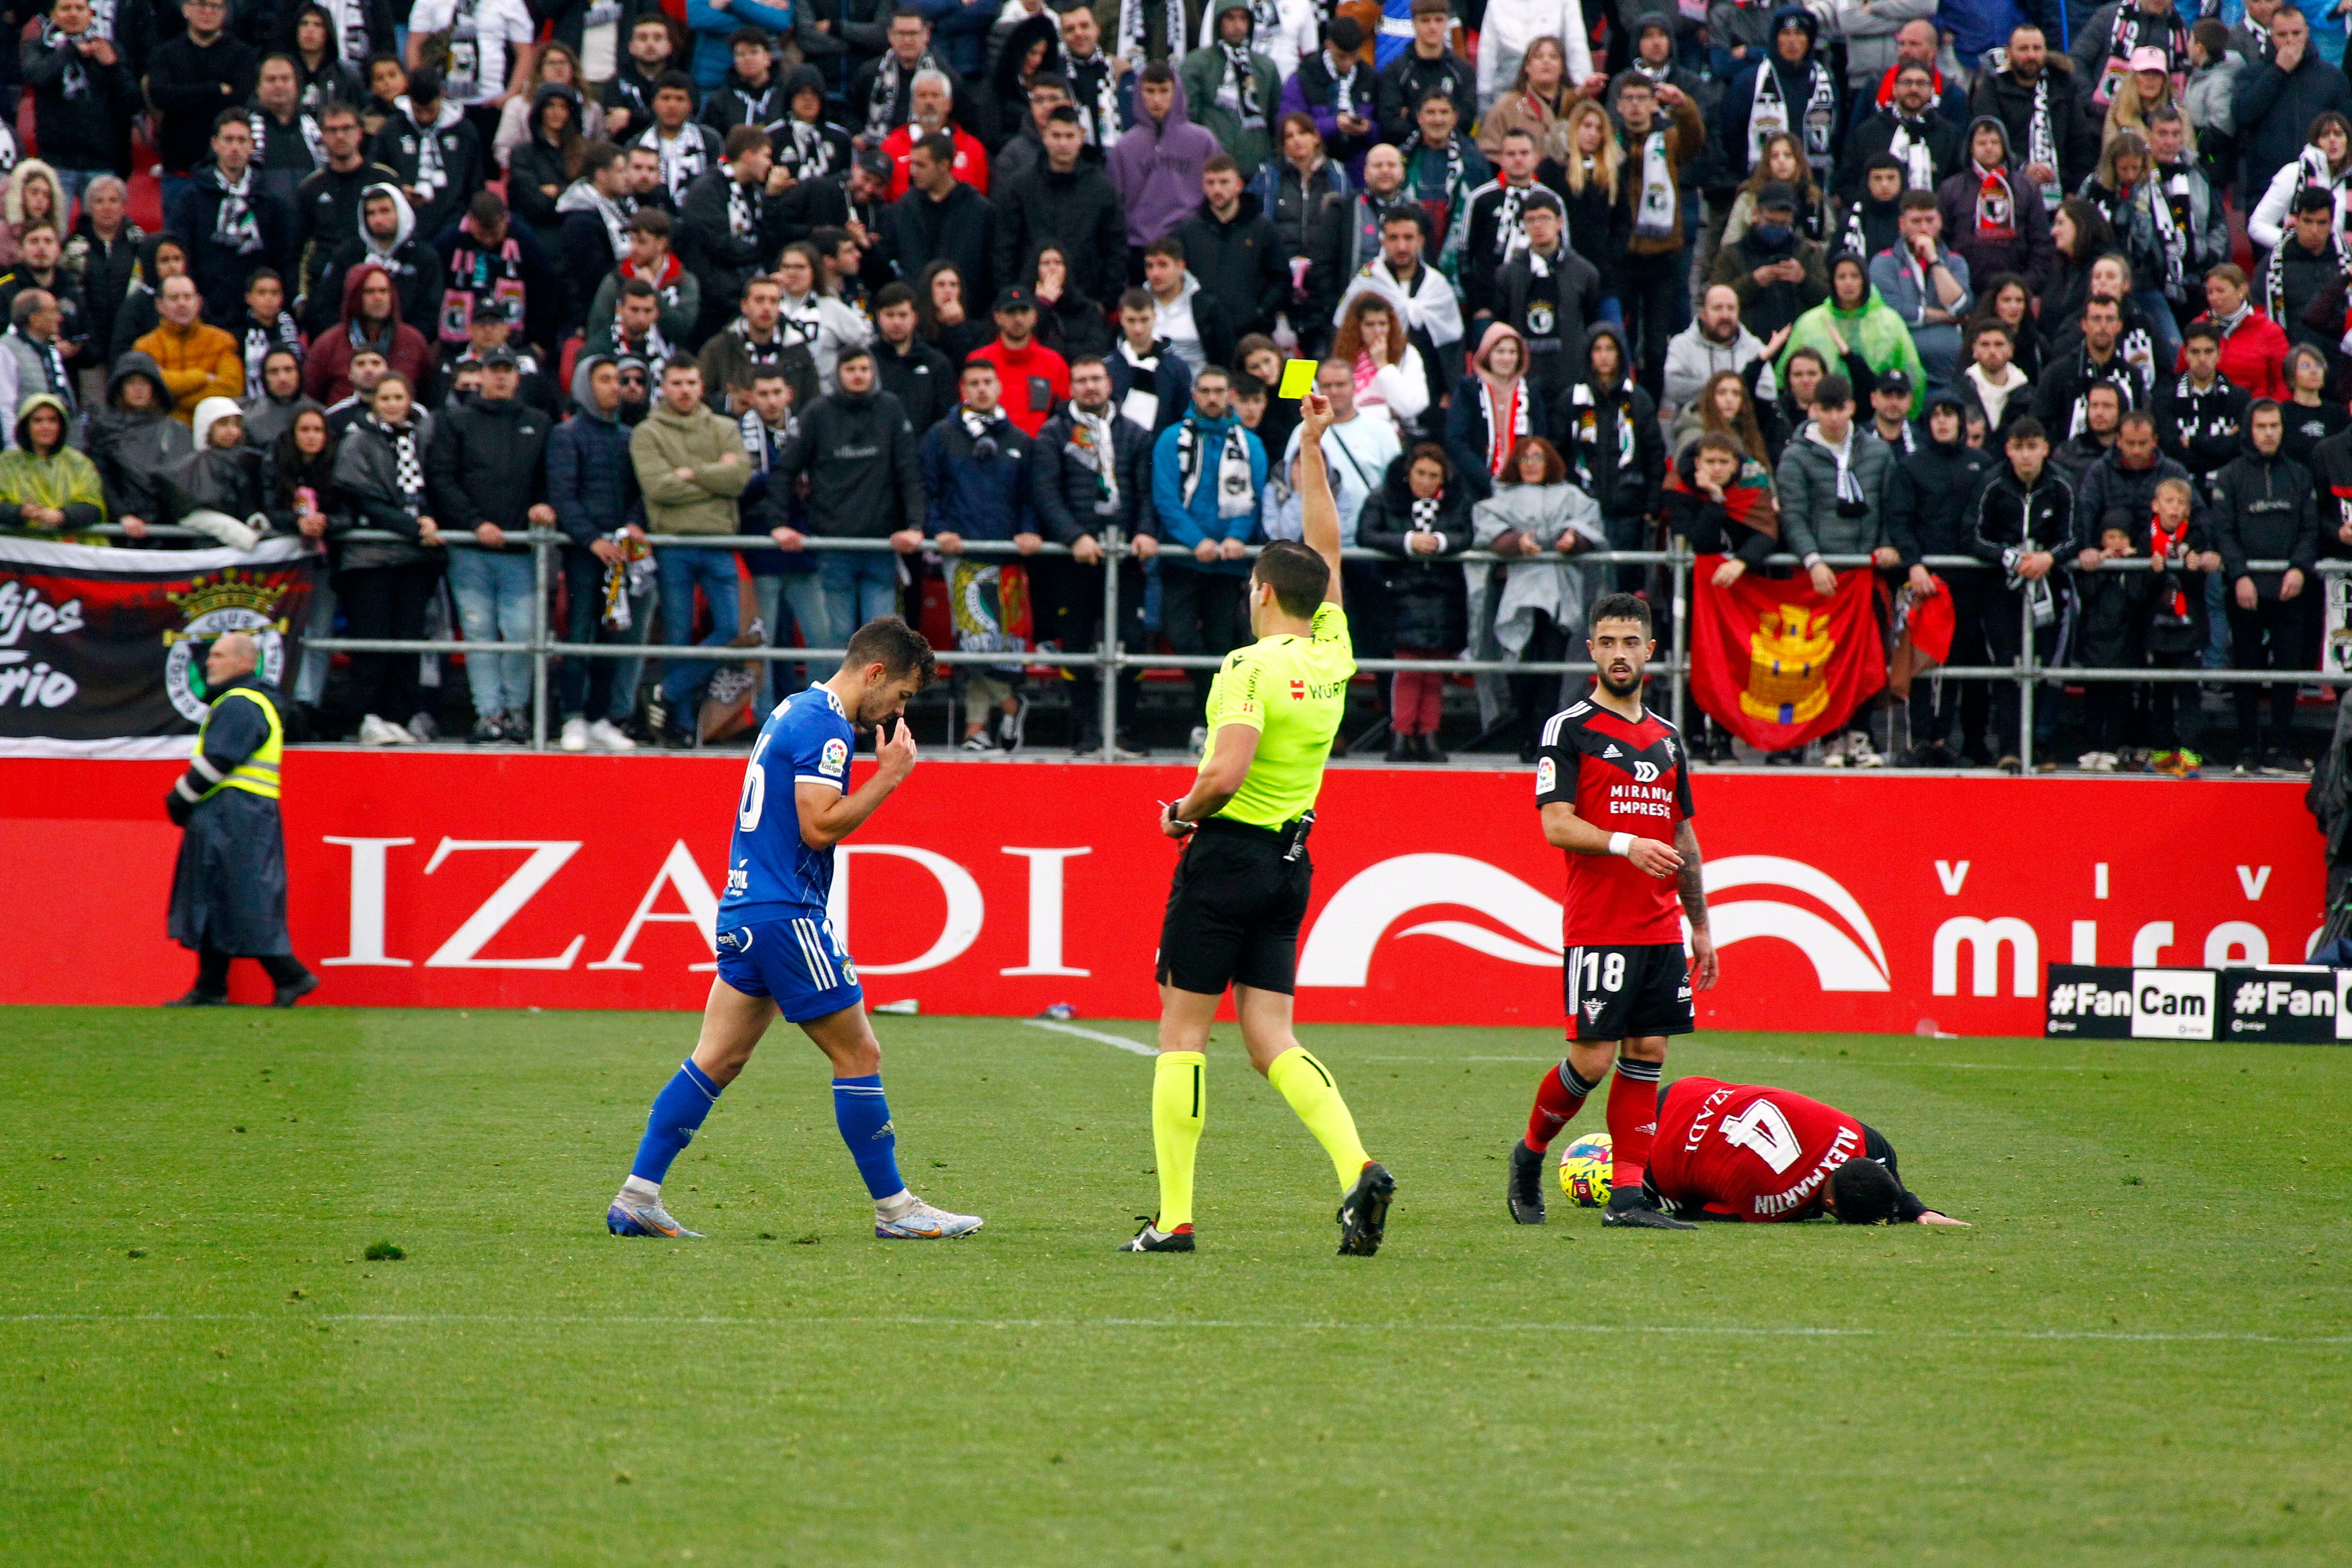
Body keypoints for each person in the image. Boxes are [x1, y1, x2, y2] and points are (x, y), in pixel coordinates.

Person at [604, 616, 983, 1242]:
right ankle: (897, 1209)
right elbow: (819, 825)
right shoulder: (827, 725)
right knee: (859, 1053)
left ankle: (637, 1197)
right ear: (876, 673)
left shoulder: (793, 709)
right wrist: (888, 776)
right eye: (904, 696)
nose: (897, 711)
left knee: (718, 1058)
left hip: (745, 910)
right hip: (787, 915)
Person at [1126, 382, 1391, 1256]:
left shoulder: (1248, 663)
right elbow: (1329, 548)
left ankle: (1173, 1219)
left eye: (1252, 585)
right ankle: (1357, 1168)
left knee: (1183, 1033)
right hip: (1291, 864)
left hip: (1227, 856)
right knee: (1270, 1033)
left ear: (1263, 592)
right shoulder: (1331, 649)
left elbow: (1228, 767)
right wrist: (1309, 446)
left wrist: (1179, 809)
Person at [1506, 589, 1713, 1229]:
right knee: (1592, 1059)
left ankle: (1627, 1197)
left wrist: (1701, 927)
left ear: (1651, 651)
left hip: (1659, 928)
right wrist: (1625, 844)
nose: (1620, 654)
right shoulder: (1568, 729)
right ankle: (1529, 1154)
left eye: (1632, 643)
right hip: (1599, 924)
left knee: (1648, 1048)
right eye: (1609, 642)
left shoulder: (1670, 739)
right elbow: (1557, 826)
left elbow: (1683, 839)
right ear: (1591, 648)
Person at [161, 632, 317, 1009]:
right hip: (240, 812)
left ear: (244, 662)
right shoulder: (251, 702)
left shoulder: (240, 703)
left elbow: (217, 761)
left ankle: (291, 975)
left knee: (240, 896)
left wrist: (179, 799)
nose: (209, 663)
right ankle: (212, 986)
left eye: (217, 655)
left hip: (234, 813)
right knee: (219, 895)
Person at [1031, 354, 1158, 755]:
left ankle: (1124, 728)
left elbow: (1146, 493)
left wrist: (1144, 533)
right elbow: (1045, 492)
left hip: (1126, 559)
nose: (1090, 386)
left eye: (1096, 379)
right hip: (1073, 561)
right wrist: (1074, 538)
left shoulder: (1135, 434)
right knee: (1076, 645)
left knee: (1131, 645)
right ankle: (1087, 730)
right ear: (1071, 387)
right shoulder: (1053, 434)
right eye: (1081, 379)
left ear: (1109, 383)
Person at [428, 348, 555, 743]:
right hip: (470, 550)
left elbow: (552, 477)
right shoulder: (456, 421)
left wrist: (544, 505)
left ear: (518, 377)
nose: (500, 378)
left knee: (520, 634)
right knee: (479, 633)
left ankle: (517, 712)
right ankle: (489, 714)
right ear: (480, 375)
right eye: (493, 370)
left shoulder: (539, 422)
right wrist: (474, 523)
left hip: (520, 551)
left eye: (507, 371)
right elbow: (441, 477)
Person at [1775, 373, 1897, 764]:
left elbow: (1892, 505)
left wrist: (1887, 545)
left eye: (1839, 408)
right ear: (1812, 410)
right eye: (1823, 409)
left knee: (1866, 657)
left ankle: (1860, 735)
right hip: (1820, 576)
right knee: (1823, 657)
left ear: (1852, 407)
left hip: (1864, 573)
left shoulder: (1878, 452)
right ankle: (1830, 736)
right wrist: (1812, 560)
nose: (1832, 417)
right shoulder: (1795, 455)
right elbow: (1793, 515)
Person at [1644, 1076, 1965, 1224]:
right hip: (1657, 1163)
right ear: (1830, 1204)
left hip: (1686, 1092)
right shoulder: (1777, 1205)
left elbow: (1887, 1173)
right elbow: (1697, 1212)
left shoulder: (1861, 1139)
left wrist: (1915, 1208)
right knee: (1606, 1184)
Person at [776, 344, 927, 658]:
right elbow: (785, 469)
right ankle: (838, 709)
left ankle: (876, 710)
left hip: (881, 546)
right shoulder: (817, 412)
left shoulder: (891, 409)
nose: (858, 376)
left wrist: (915, 525)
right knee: (839, 643)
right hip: (834, 545)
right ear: (838, 374)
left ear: (874, 373)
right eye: (851, 370)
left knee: (881, 643)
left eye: (864, 369)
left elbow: (909, 472)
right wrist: (778, 524)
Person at [1152, 364, 1266, 742]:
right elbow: (1166, 498)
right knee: (1182, 638)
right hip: (1183, 560)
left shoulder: (1250, 443)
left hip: (1228, 565)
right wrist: (1194, 540)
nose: (1213, 398)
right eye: (1206, 391)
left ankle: (1209, 723)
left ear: (1229, 395)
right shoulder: (1171, 439)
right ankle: (1210, 712)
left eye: (1220, 391)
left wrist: (1236, 537)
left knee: (1222, 644)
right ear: (1194, 395)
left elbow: (1254, 498)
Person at [329, 372, 443, 745]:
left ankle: (399, 715)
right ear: (374, 402)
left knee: (408, 640)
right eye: (386, 398)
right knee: (374, 639)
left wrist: (428, 521)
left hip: (415, 560)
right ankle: (367, 715)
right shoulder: (357, 441)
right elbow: (365, 499)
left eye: (399, 397)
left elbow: (438, 486)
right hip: (370, 560)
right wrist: (413, 527)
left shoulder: (424, 438)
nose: (393, 405)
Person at [1884, 393, 1996, 765]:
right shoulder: (1911, 466)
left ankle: (1951, 741)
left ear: (1963, 423)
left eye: (1951, 415)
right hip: (1926, 584)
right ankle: (1920, 742)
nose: (1943, 422)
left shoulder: (1981, 465)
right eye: (1936, 416)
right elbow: (1899, 519)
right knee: (1922, 664)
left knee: (1962, 665)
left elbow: (1993, 520)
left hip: (1971, 584)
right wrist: (1914, 566)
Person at [550, 353, 652, 754]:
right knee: (579, 634)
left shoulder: (629, 437)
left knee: (615, 632)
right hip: (583, 556)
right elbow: (563, 495)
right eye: (607, 379)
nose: (616, 386)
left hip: (620, 558)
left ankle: (600, 718)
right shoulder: (567, 435)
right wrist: (592, 540)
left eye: (620, 379)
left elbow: (639, 495)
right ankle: (572, 717)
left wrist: (630, 530)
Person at [2212, 399, 2320, 773]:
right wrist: (2239, 574)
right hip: (2246, 592)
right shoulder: (2231, 476)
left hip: (2290, 590)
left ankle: (2281, 747)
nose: (2269, 433)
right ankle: (2246, 749)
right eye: (2261, 427)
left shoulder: (2301, 475)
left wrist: (2300, 569)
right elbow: (2223, 532)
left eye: (2274, 426)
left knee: (2287, 669)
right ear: (2249, 430)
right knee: (2247, 670)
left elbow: (2310, 529)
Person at [1968, 414, 2076, 770]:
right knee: (2008, 667)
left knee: (2047, 666)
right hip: (2002, 592)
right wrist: (2009, 558)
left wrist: (2049, 557)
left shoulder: (2062, 486)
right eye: (2019, 448)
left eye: (2033, 447)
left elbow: (2076, 537)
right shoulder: (1992, 485)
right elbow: (1971, 534)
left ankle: (2041, 745)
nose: (2026, 456)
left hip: (2051, 588)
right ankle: (2010, 748)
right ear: (2008, 451)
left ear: (2046, 449)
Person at [1359, 444, 1470, 761]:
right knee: (1407, 669)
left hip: (1444, 595)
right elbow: (1367, 534)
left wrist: (1442, 543)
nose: (1426, 481)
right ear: (1408, 473)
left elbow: (1468, 534)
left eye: (1434, 475)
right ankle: (1401, 733)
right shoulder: (1383, 498)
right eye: (1420, 473)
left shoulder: (1456, 503)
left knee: (1434, 671)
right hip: (1398, 594)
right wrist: (1407, 542)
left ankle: (1429, 735)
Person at [991, 105, 1127, 311]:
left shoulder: (1102, 189)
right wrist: (1011, 298)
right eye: (1056, 135)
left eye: (1069, 136)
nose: (1063, 143)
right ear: (1044, 136)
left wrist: (1105, 303)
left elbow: (1115, 248)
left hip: (1085, 304)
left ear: (1081, 137)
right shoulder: (1020, 186)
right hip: (1027, 306)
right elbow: (1004, 247)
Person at [1971, 23, 2102, 215]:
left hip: (2061, 194)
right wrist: (2023, 168)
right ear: (2009, 54)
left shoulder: (2064, 86)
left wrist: (2075, 191)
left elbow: (2080, 144)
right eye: (2023, 49)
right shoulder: (1991, 89)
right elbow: (1987, 142)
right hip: (2007, 190)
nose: (2031, 55)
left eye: (2037, 48)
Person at [2232, 4, 2352, 211]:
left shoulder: (2332, 78)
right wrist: (2278, 71)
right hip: (2266, 189)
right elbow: (2243, 115)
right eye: (2282, 34)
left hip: (2321, 191)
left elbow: (2346, 132)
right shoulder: (2251, 75)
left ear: (2307, 31)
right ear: (2271, 36)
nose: (2290, 41)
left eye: (2296, 33)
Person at [147, 0, 260, 212]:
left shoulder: (243, 55)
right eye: (201, 4)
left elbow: (238, 102)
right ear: (185, 9)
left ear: (225, 13)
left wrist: (185, 96)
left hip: (228, 175)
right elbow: (161, 97)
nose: (208, 11)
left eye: (216, 6)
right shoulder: (166, 53)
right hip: (180, 171)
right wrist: (214, 89)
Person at [23, 0, 133, 212]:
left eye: (79, 9)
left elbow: (132, 101)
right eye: (66, 9)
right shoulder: (40, 48)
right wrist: (71, 51)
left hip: (101, 163)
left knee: (99, 235)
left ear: (90, 14)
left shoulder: (109, 49)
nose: (73, 14)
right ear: (54, 15)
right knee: (53, 233)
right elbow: (37, 76)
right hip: (57, 162)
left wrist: (113, 67)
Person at [1109, 64, 1221, 264]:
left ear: (1176, 92)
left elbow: (1219, 191)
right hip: (1139, 250)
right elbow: (1115, 207)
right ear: (1139, 93)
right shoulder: (1124, 148)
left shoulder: (1203, 141)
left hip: (1190, 247)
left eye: (1164, 91)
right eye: (1150, 92)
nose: (1157, 100)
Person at [1870, 192, 1972, 395]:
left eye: (1929, 221)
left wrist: (1934, 260)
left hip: (1948, 373)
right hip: (1899, 372)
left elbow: (1960, 307)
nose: (1924, 228)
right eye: (1916, 221)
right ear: (1902, 224)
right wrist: (1944, 316)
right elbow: (1893, 312)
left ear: (1940, 222)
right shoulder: (1884, 262)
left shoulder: (1955, 262)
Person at [883, 134, 996, 308]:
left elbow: (991, 269)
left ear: (944, 166)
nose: (913, 171)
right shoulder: (902, 209)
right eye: (912, 164)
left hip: (966, 313)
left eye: (921, 165)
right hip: (916, 315)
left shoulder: (980, 211)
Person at [303, 262, 435, 406]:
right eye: (370, 292)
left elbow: (428, 395)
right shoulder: (328, 344)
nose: (379, 298)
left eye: (384, 291)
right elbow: (310, 398)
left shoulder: (413, 341)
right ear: (354, 296)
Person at [1448, 322, 1544, 501]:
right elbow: (1456, 440)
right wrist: (1486, 481)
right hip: (1477, 490)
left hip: (1525, 489)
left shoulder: (1531, 390)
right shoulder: (1469, 390)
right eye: (1500, 351)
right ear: (1487, 354)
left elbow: (1540, 438)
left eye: (1512, 352)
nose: (1507, 358)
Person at [1664, 284, 1780, 430]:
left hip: (1744, 431)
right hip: (1697, 429)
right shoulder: (1682, 345)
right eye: (1717, 308)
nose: (1725, 315)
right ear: (1703, 313)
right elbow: (1675, 388)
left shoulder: (1754, 347)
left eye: (1731, 308)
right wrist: (1722, 391)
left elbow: (1768, 392)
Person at [2036, 294, 2152, 437]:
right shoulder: (2057, 374)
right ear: (2084, 325)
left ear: (2119, 326)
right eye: (2096, 319)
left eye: (2110, 319)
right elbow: (2040, 426)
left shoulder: (2133, 376)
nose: (2103, 326)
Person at [966, 286, 1069, 436]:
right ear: (997, 317)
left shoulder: (1054, 363)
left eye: (1024, 311)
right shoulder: (978, 360)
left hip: (1039, 453)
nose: (1018, 318)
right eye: (1011, 312)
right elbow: (968, 411)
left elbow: (1067, 414)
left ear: (1035, 316)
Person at [0, 394, 102, 537]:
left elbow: (94, 507)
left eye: (52, 420)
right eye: (38, 421)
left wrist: (63, 516)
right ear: (26, 425)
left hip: (72, 550)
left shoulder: (79, 463)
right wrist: (20, 512)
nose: (46, 427)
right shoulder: (6, 463)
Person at [2189, 263, 2290, 401]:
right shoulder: (2198, 327)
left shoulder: (2269, 331)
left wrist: (2270, 413)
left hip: (2253, 413)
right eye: (2210, 292)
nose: (2214, 297)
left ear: (2242, 290)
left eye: (2221, 291)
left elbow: (2283, 383)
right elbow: (2182, 373)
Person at [869, 280, 954, 434]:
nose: (897, 322)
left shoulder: (937, 363)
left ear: (914, 317)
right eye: (890, 315)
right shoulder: (867, 362)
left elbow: (946, 420)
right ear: (878, 317)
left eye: (903, 315)